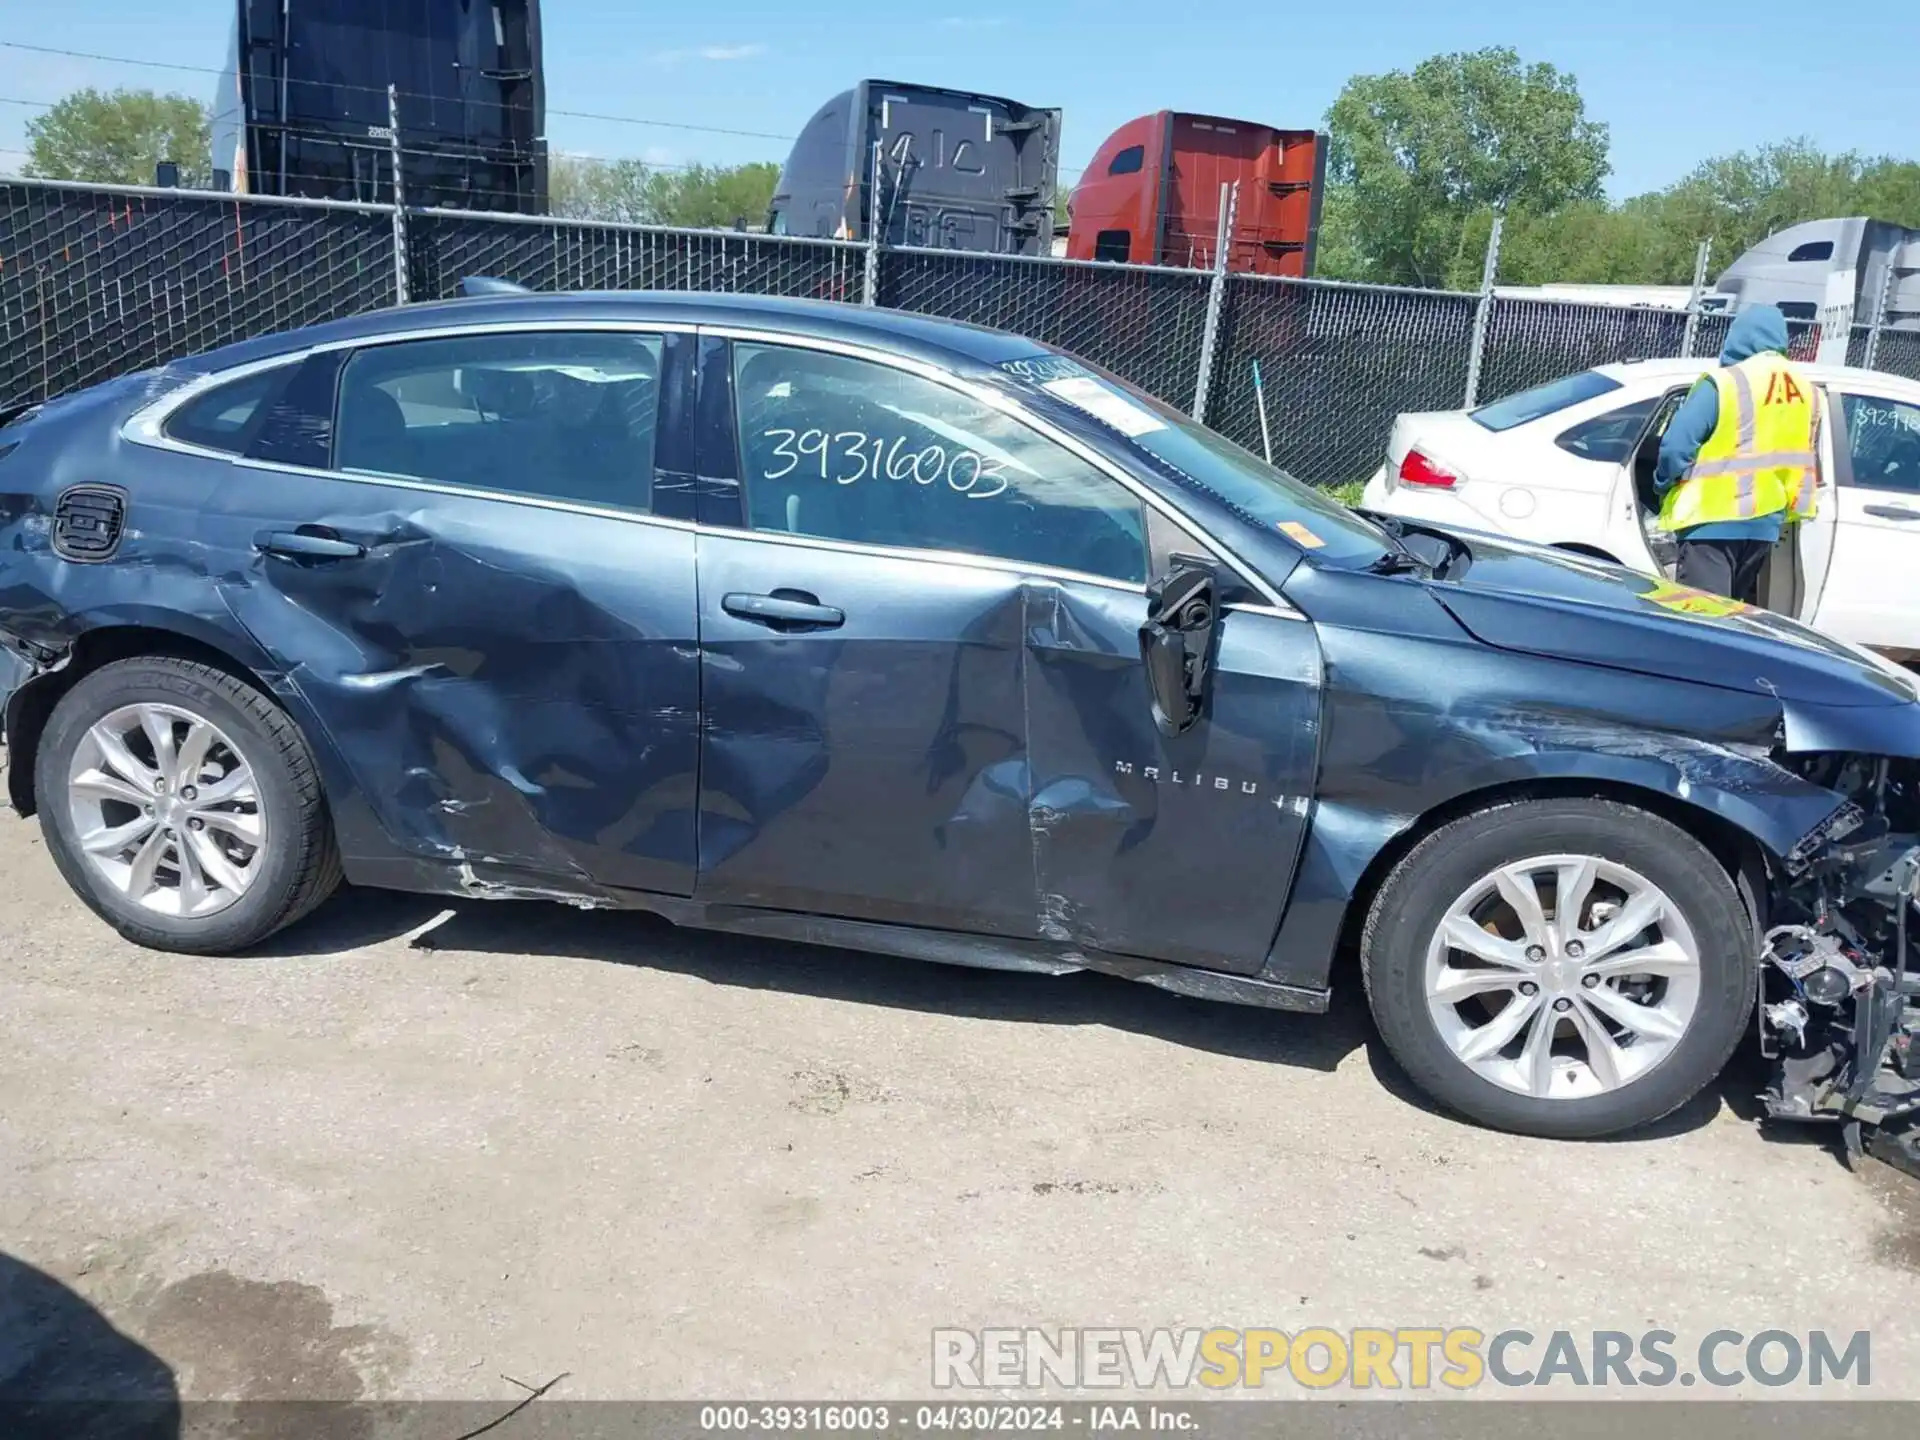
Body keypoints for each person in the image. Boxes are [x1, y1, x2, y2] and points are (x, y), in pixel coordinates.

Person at [1653, 304, 1820, 603]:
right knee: (1731, 620)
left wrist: (1661, 485)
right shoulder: (1806, 390)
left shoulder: (1725, 382)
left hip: (1711, 522)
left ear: (1738, 337)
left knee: (1702, 621)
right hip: (1764, 527)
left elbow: (1676, 446)